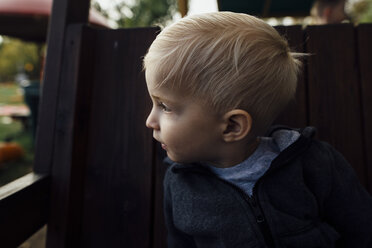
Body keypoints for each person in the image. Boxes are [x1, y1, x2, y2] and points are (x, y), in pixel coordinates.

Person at [143, 12, 372, 247]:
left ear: (232, 126)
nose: (150, 120)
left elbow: (362, 229)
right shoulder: (180, 182)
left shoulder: (312, 164)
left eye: (165, 107)